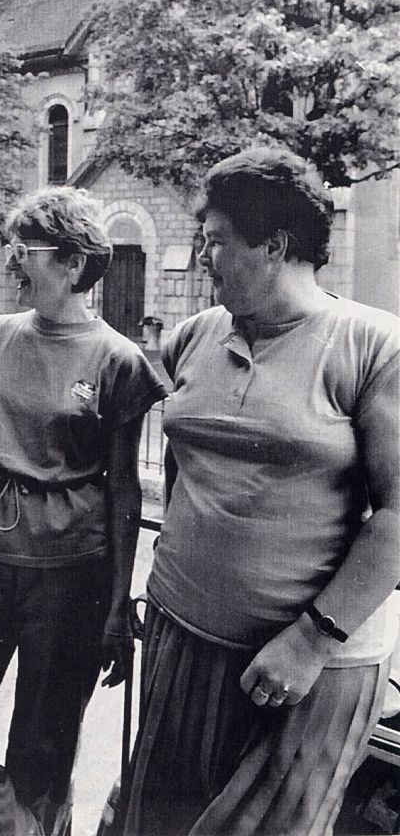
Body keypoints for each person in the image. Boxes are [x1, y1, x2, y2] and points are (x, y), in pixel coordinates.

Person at [122, 147, 400, 836]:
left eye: (216, 241)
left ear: (274, 245)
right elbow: (185, 466)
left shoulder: (373, 346)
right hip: (181, 639)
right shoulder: (193, 337)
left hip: (307, 667)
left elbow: (397, 515)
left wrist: (311, 641)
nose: (204, 257)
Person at [0, 187, 167, 836]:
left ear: (73, 264)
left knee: (42, 755)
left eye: (24, 249)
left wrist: (117, 604)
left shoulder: (118, 360)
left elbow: (123, 490)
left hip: (70, 576)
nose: (11, 260)